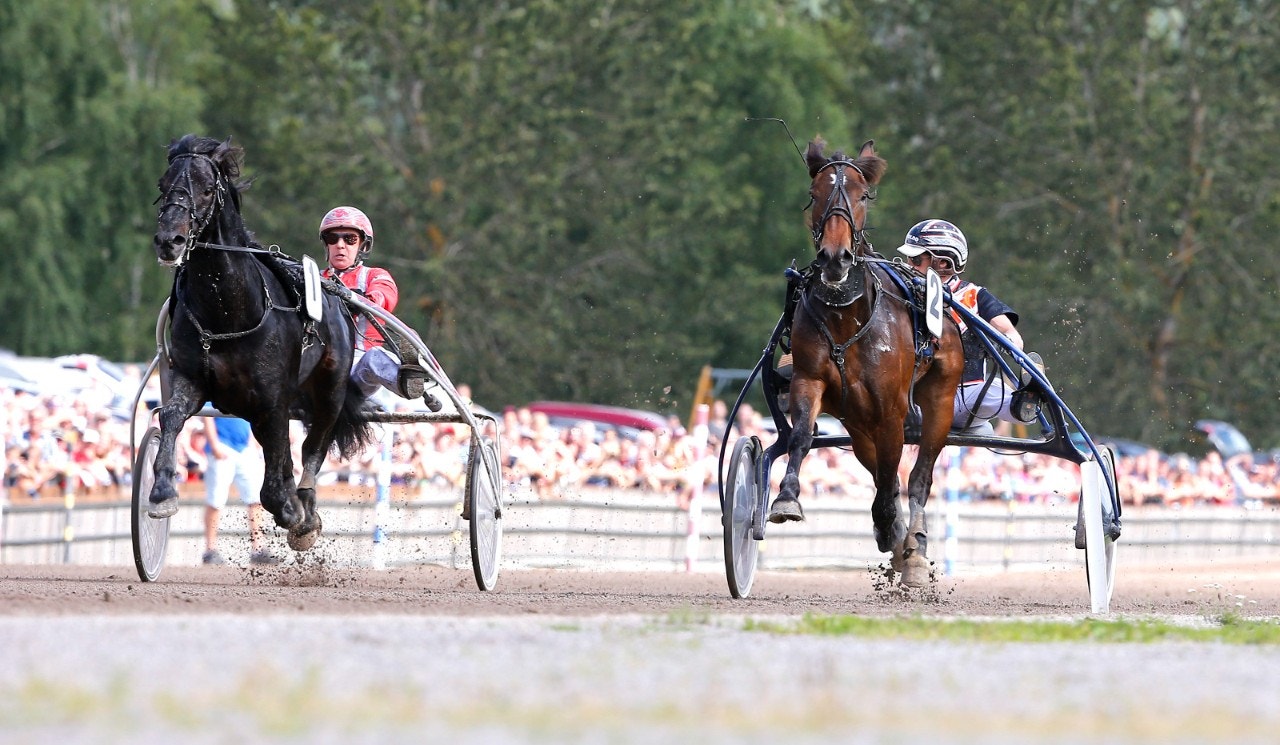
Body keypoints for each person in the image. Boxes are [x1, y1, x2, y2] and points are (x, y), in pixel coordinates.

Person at [895, 219, 1044, 432]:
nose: (909, 264)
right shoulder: (899, 293)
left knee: (998, 395)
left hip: (969, 395)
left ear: (944, 262)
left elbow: (1010, 333)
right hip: (920, 396)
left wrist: (1007, 343)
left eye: (916, 258)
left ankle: (1026, 400)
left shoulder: (974, 295)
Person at [317, 206, 431, 406]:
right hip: (320, 365)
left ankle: (407, 381)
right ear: (326, 245)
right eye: (332, 238)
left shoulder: (373, 276)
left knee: (375, 358)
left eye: (349, 239)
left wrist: (363, 299)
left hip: (358, 369)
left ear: (363, 245)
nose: (340, 245)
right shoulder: (312, 278)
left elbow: (385, 295)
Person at [202, 416, 278, 565]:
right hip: (222, 446)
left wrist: (253, 441)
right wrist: (214, 444)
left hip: (245, 447)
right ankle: (210, 549)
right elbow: (207, 415)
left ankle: (258, 548)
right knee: (215, 501)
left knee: (256, 499)